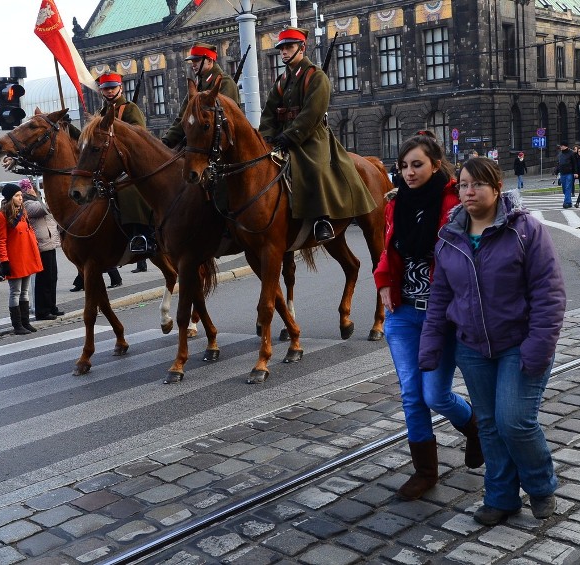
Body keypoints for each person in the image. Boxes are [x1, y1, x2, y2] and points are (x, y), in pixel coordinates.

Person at [420, 157, 565, 526]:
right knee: (488, 424)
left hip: (521, 343)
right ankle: (500, 497)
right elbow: (439, 298)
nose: (469, 192)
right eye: (463, 185)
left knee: (514, 420)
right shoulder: (449, 237)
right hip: (473, 348)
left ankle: (540, 486)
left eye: (477, 185)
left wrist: (538, 346)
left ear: (496, 188)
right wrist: (431, 346)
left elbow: (548, 294)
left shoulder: (524, 229)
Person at [373, 131, 482, 501]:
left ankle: (474, 427)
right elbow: (389, 250)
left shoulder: (454, 202)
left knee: (435, 394)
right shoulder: (395, 203)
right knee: (410, 394)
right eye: (403, 166)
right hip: (403, 313)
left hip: (441, 315)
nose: (409, 173)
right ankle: (425, 471)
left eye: (417, 165)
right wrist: (384, 281)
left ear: (435, 164)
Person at [258, 27, 376, 243]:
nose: (284, 52)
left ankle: (322, 219)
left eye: (289, 47)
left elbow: (312, 113)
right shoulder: (281, 81)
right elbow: (268, 113)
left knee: (314, 167)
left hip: (311, 136)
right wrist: (265, 137)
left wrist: (291, 136)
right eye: (282, 48)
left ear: (302, 48)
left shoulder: (316, 76)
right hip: (283, 135)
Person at [96, 71, 156, 256]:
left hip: (130, 162)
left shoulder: (129, 109)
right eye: (105, 89)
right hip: (109, 164)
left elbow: (139, 135)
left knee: (127, 188)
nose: (109, 92)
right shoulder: (101, 113)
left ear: (120, 88)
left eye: (112, 88)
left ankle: (141, 233)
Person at [162, 42, 241, 149]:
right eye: (192, 61)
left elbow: (225, 121)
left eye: (197, 60)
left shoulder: (224, 82)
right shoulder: (198, 85)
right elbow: (183, 117)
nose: (193, 64)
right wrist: (167, 141)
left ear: (209, 61)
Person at [0, 184, 43, 335]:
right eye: (17, 196)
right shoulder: (1, 215)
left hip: (27, 255)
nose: (20, 198)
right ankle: (17, 325)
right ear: (10, 198)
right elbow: (1, 240)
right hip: (14, 257)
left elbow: (29, 231)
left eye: (21, 195)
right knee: (15, 292)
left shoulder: (23, 212)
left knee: (25, 292)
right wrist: (4, 261)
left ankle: (25, 322)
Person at [21, 179, 64, 320]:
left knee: (52, 278)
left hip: (49, 243)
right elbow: (43, 209)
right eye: (31, 188)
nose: (33, 190)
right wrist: (55, 195)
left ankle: (52, 306)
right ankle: (42, 310)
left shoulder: (36, 200)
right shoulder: (27, 204)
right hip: (41, 245)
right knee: (44, 280)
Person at [554, 142, 575, 208]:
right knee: (564, 189)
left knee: (568, 187)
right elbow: (558, 163)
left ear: (565, 146)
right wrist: (556, 171)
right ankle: (569, 202)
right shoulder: (560, 154)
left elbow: (575, 164)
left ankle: (566, 202)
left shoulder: (571, 153)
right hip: (562, 173)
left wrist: (575, 172)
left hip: (569, 173)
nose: (560, 147)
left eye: (561, 146)